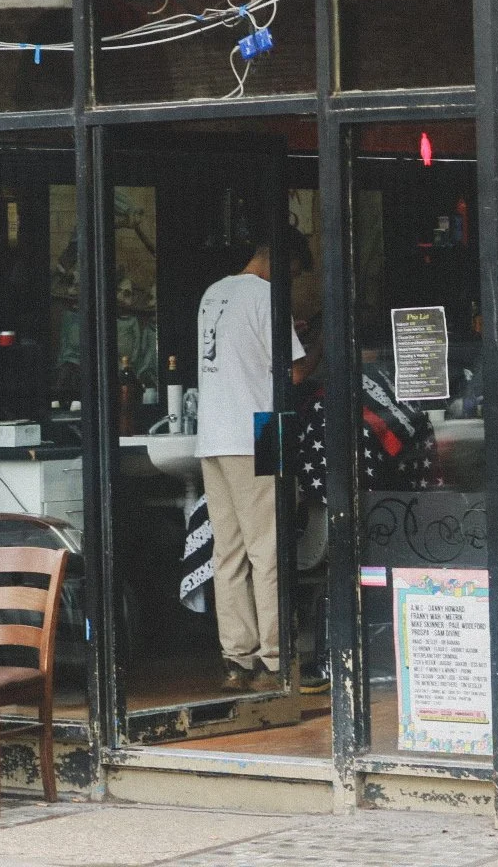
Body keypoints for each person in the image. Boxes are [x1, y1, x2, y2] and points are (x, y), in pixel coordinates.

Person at [196, 227, 312, 691]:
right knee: (270, 548)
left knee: (229, 553)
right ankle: (276, 658)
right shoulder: (267, 297)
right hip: (260, 428)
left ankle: (236, 658)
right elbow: (296, 373)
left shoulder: (213, 294)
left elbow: (240, 353)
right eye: (295, 274)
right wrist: (314, 342)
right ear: (282, 264)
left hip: (213, 433)